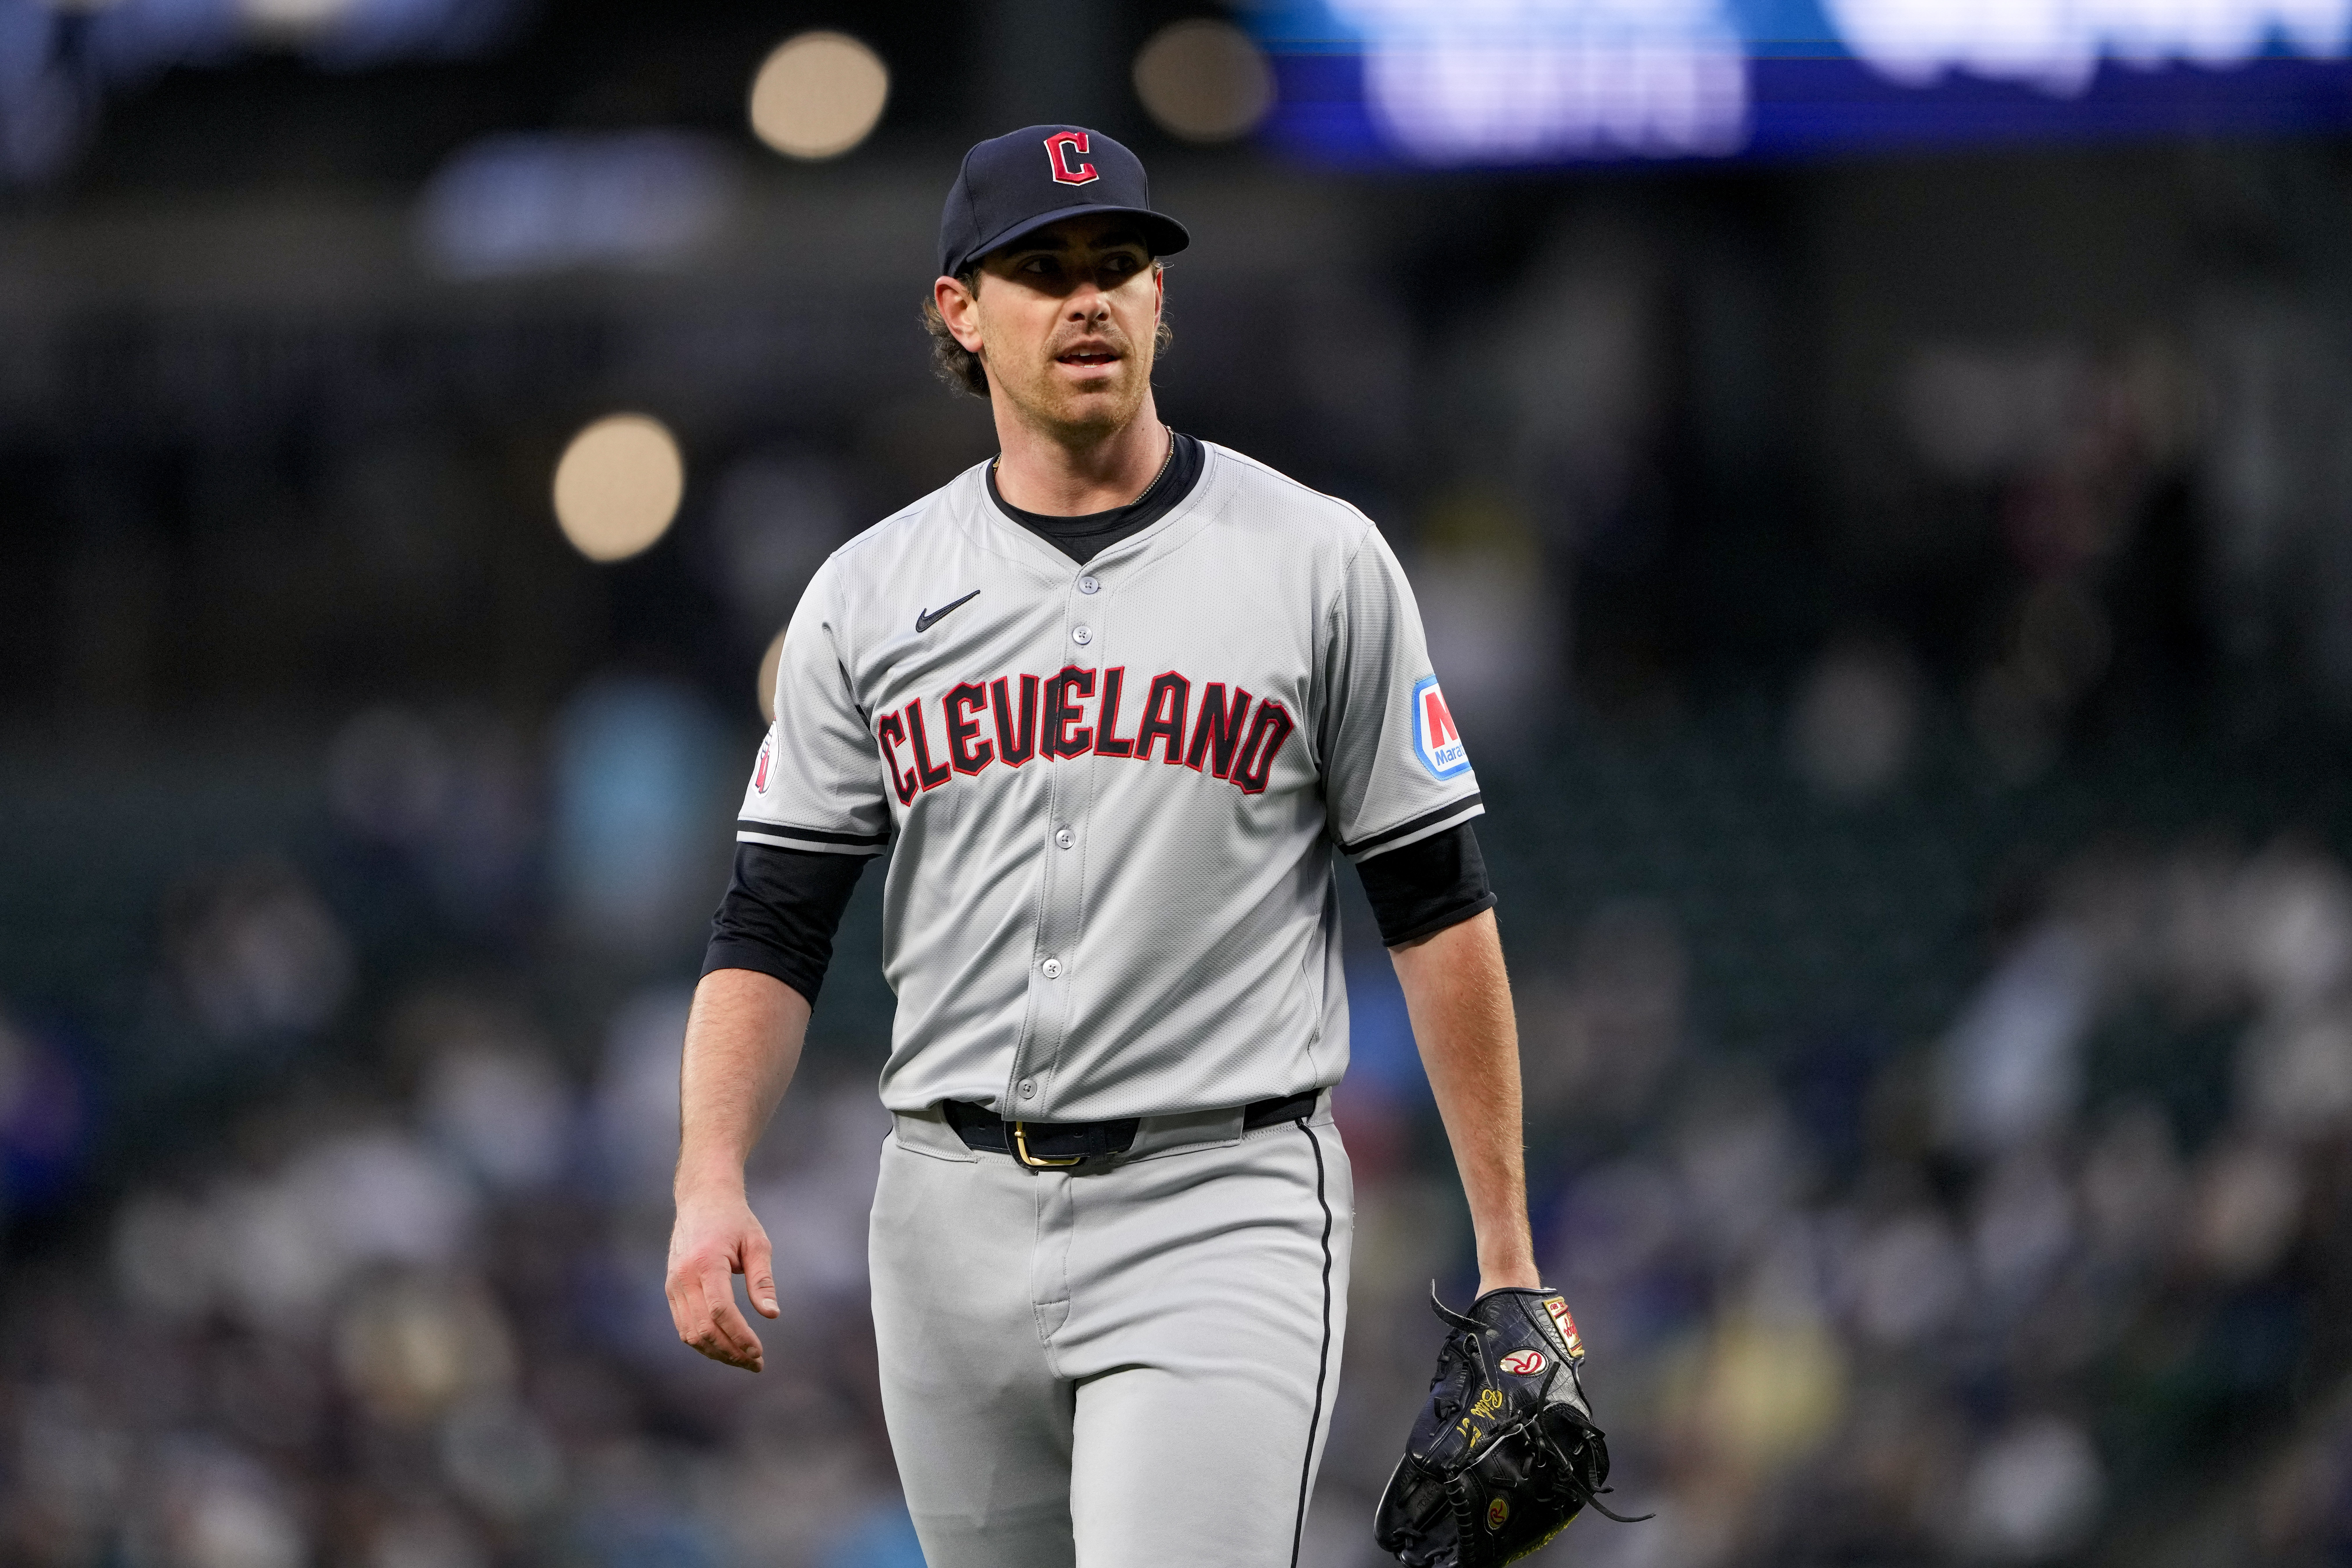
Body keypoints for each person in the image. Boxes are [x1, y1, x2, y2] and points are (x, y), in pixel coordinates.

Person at [665, 124, 1539, 1568]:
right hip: (944, 1213)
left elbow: (1438, 905)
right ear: (962, 311)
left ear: (1157, 301)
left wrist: (1506, 1255)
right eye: (1044, 269)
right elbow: (771, 920)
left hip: (1220, 1197)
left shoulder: (1316, 559)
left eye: (1118, 264)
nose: (1088, 298)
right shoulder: (866, 596)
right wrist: (708, 1177)